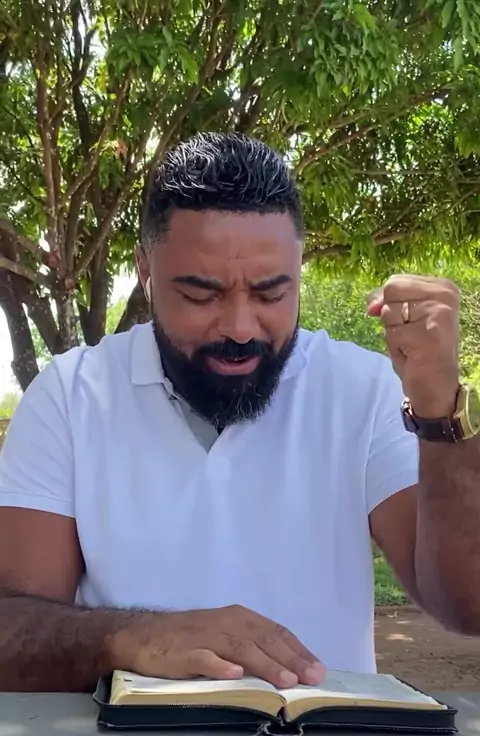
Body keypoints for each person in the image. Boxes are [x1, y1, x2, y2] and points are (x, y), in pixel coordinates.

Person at [1, 132, 479, 694]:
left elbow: (467, 605)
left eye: (271, 294)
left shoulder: (363, 390)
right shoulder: (71, 396)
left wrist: (439, 407)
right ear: (145, 271)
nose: (240, 328)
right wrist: (130, 639)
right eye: (200, 295)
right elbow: (11, 628)